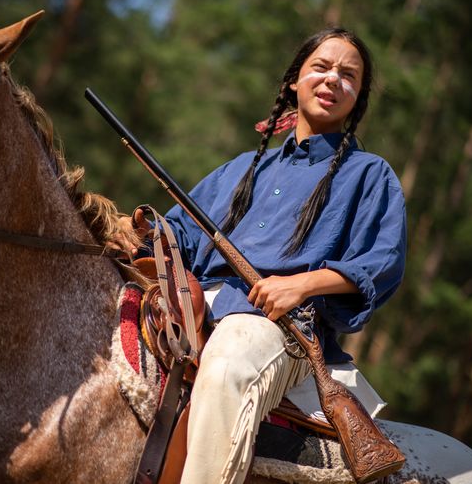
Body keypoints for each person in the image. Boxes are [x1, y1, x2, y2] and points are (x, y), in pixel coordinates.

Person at [115, 28, 406, 484]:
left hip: (280, 328)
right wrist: (137, 230)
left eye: (348, 76)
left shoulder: (370, 174)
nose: (333, 80)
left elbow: (381, 263)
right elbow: (180, 235)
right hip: (196, 307)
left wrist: (302, 284)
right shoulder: (243, 168)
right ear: (295, 81)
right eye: (321, 67)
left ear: (359, 97)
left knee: (230, 360)